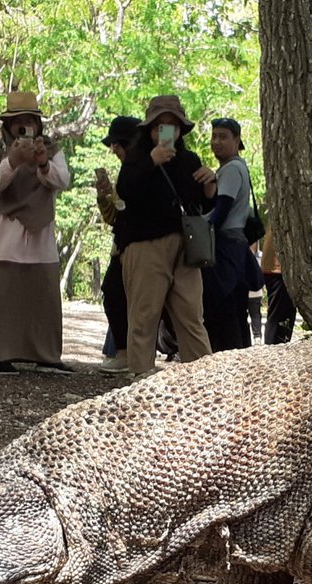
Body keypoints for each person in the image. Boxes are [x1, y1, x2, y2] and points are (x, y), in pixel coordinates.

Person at [0, 92, 73, 375]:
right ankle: (1, 354)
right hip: (5, 234)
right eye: (18, 122)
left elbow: (62, 180)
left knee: (42, 295)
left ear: (38, 123)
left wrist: (42, 163)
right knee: (2, 297)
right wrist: (12, 161)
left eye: (30, 121)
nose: (25, 126)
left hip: (40, 233)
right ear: (9, 125)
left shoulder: (51, 148)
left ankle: (46, 355)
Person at [115, 94, 216, 376]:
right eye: (160, 126)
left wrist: (209, 185)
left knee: (191, 316)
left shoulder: (189, 160)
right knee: (144, 315)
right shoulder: (136, 159)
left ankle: (203, 379)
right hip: (144, 244)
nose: (166, 131)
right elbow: (126, 192)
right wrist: (151, 162)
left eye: (172, 125)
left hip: (186, 248)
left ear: (181, 129)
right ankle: (140, 376)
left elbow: (201, 205)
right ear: (149, 129)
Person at [201, 117, 263, 352]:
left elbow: (222, 209)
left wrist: (201, 232)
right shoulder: (237, 168)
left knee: (223, 307)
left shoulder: (231, 169)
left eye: (223, 137)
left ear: (237, 140)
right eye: (214, 136)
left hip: (226, 245)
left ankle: (228, 358)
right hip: (234, 246)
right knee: (233, 308)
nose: (216, 142)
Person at [95, 115, 141, 375]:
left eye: (116, 144)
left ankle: (131, 356)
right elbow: (116, 217)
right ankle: (124, 354)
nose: (113, 150)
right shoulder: (126, 171)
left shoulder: (140, 169)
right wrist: (105, 197)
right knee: (113, 292)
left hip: (141, 247)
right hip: (122, 245)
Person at [260, 231, 295, 344]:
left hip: (278, 268)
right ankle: (273, 347)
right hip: (278, 269)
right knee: (279, 315)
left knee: (283, 314)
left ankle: (276, 345)